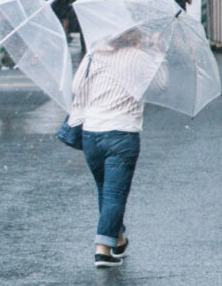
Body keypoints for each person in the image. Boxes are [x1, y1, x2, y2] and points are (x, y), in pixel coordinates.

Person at [67, 28, 163, 269]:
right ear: (134, 35)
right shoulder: (138, 58)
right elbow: (160, 85)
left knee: (106, 190)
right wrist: (159, 53)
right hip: (121, 131)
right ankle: (102, 250)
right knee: (114, 194)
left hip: (91, 132)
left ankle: (118, 238)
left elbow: (75, 86)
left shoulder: (94, 54)